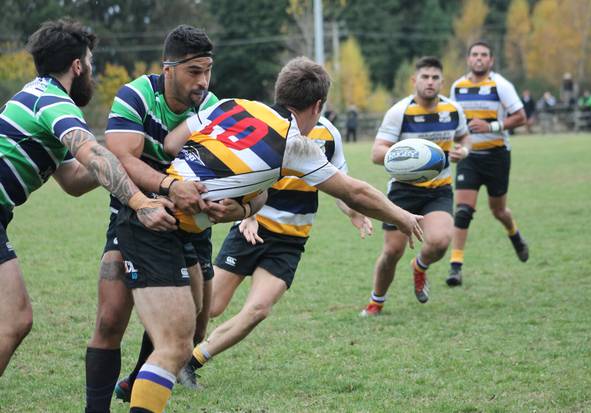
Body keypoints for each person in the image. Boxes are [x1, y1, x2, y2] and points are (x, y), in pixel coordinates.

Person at [119, 56, 424, 413]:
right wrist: (401, 216)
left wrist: (240, 201)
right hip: (158, 224)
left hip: (168, 223)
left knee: (184, 338)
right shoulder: (295, 145)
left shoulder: (232, 105)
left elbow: (172, 144)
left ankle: (135, 382)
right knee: (175, 345)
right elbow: (354, 192)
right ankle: (133, 381)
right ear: (317, 106)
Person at [84, 25, 257, 413]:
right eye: (194, 71)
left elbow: (235, 169)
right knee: (112, 318)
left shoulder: (210, 106)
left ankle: (138, 379)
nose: (203, 81)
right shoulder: (136, 95)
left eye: (208, 70)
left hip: (192, 222)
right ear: (168, 68)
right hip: (135, 213)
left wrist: (238, 207)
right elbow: (122, 159)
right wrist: (165, 187)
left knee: (194, 325)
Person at [0, 20, 174, 377]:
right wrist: (141, 202)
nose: (91, 73)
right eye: (90, 64)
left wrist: (124, 151)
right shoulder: (53, 101)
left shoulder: (37, 96)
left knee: (14, 319)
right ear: (77, 65)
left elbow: (75, 180)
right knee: (14, 319)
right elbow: (90, 154)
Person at [175, 116, 372, 387]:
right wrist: (247, 215)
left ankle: (191, 362)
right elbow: (239, 173)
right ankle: (162, 355)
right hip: (252, 229)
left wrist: (354, 212)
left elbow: (340, 183)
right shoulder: (268, 126)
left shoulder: (329, 134)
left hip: (291, 240)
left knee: (258, 309)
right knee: (211, 306)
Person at [360, 57, 470, 316]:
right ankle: (377, 301)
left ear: (442, 82)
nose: (430, 82)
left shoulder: (453, 110)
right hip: (403, 191)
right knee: (392, 251)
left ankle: (420, 266)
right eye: (425, 77)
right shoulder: (400, 112)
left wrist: (463, 150)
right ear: (414, 80)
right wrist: (407, 157)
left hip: (439, 189)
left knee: (441, 241)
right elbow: (377, 153)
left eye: (435, 78)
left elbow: (465, 138)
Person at [446, 41, 528, 287]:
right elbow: (452, 120)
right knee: (462, 212)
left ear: (491, 60)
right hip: (469, 157)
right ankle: (455, 267)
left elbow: (521, 117)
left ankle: (514, 233)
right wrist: (451, 145)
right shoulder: (457, 87)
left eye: (484, 55)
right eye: (474, 54)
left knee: (498, 210)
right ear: (468, 59)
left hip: (497, 156)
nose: (479, 58)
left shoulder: (500, 85)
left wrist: (492, 126)